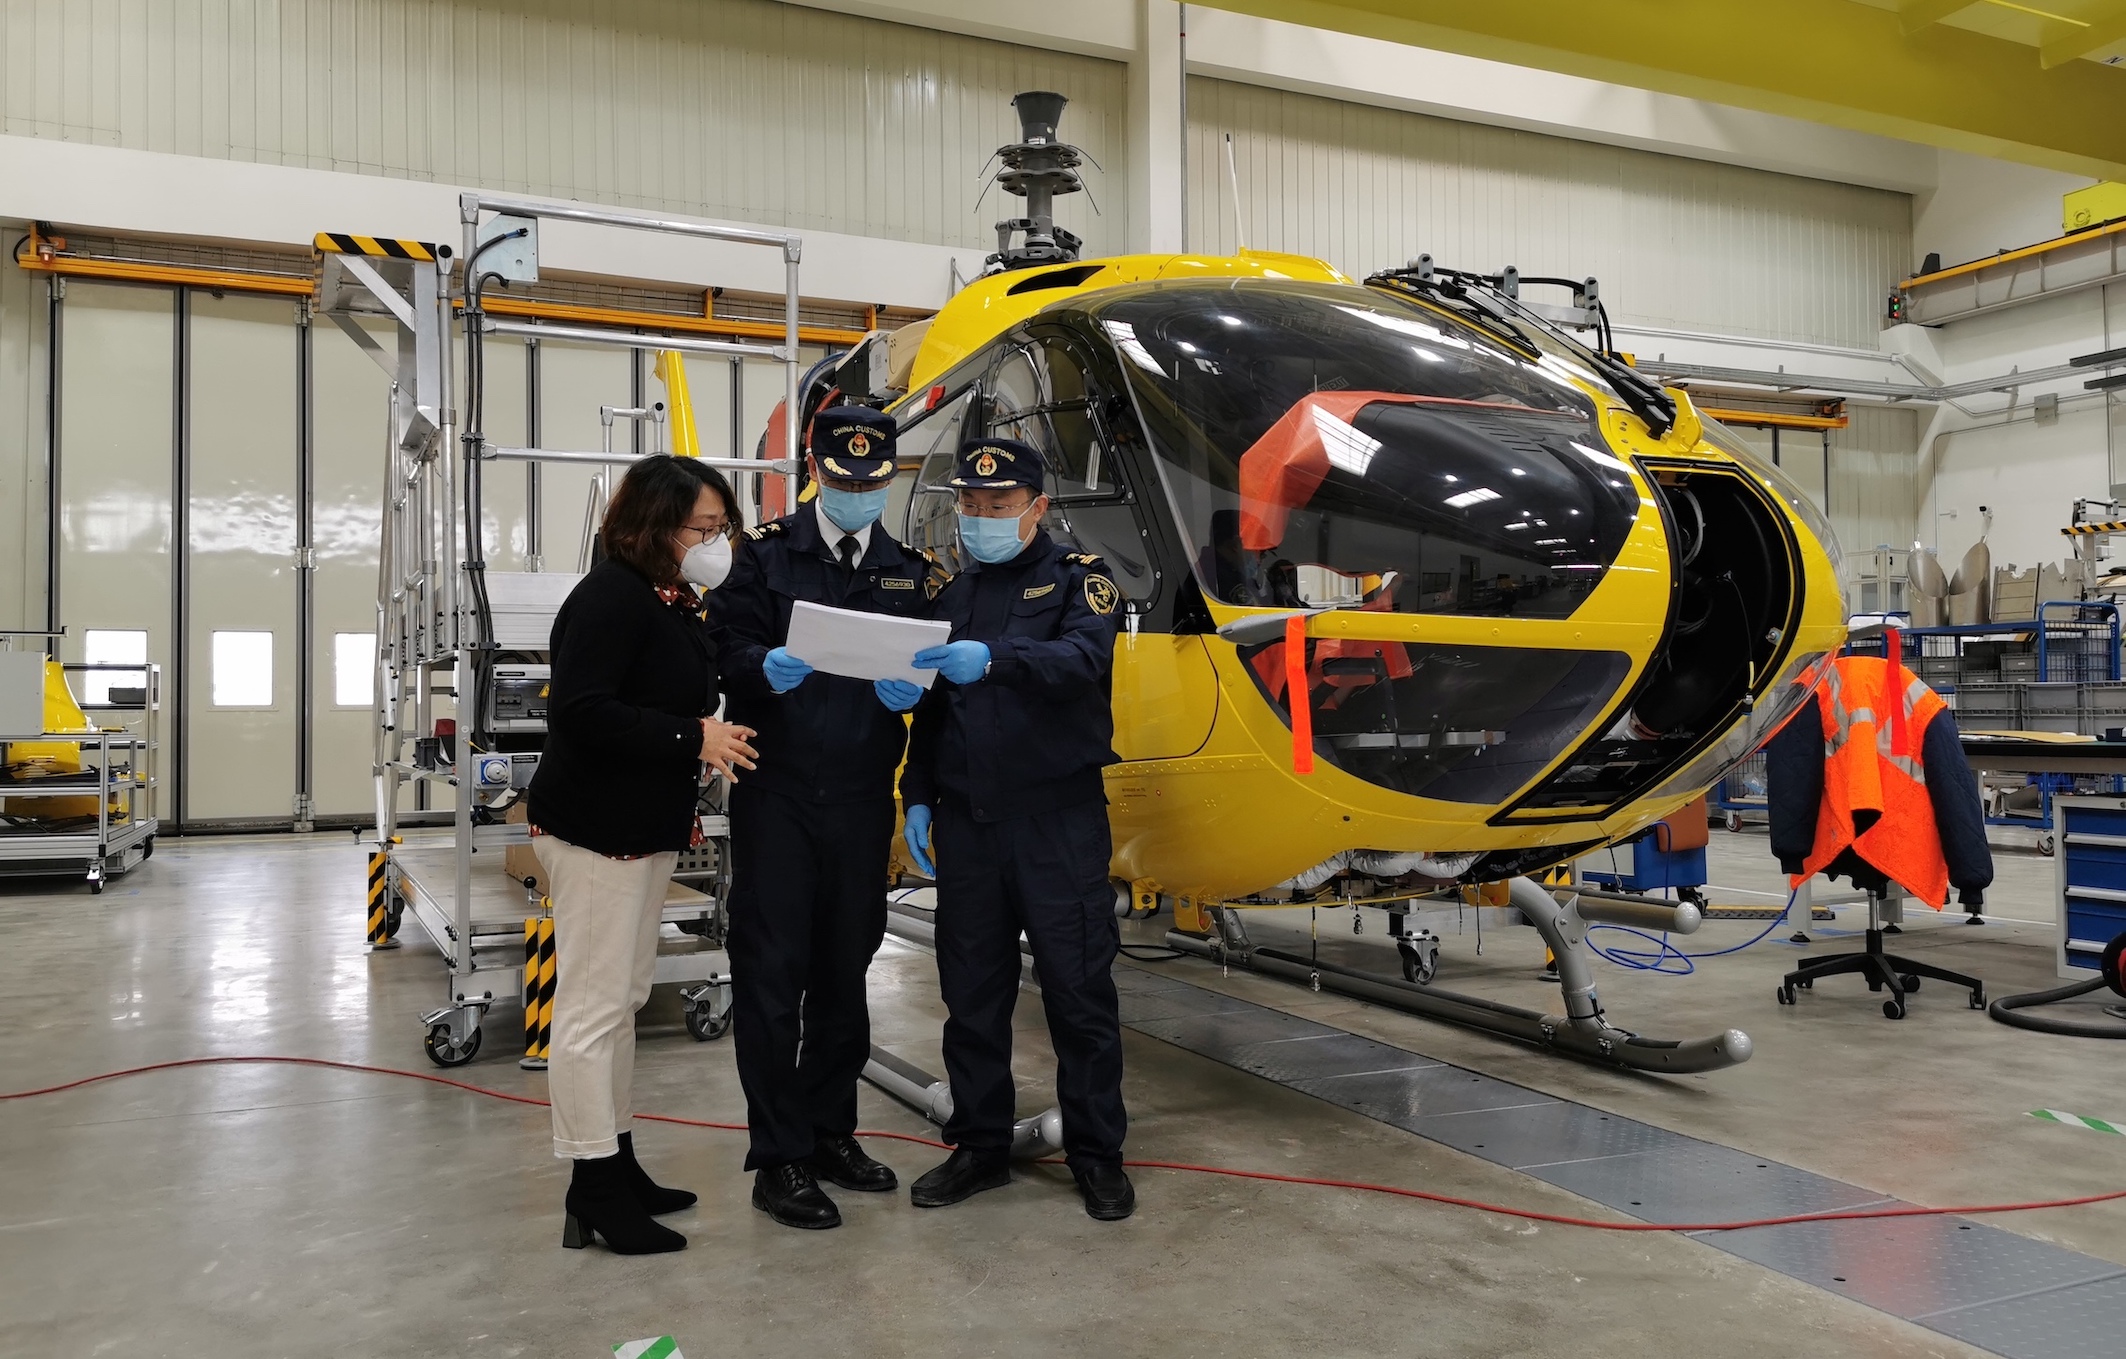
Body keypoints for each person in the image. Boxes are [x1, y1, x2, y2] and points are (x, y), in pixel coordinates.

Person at [709, 405, 948, 1230]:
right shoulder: (765, 555)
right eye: (844, 480)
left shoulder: (909, 572)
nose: (859, 494)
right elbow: (720, 648)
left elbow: (934, 681)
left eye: (873, 482)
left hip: (859, 796)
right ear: (816, 470)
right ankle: (778, 1155)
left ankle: (829, 1131)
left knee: (847, 971)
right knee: (772, 975)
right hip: (776, 794)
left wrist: (914, 692)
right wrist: (758, 666)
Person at [526, 455, 759, 1256]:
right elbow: (582, 710)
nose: (716, 542)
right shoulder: (609, 598)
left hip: (641, 828)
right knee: (592, 1011)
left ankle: (616, 1159)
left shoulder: (669, 597)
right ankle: (592, 1186)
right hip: (598, 831)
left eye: (722, 527)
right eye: (704, 527)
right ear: (654, 525)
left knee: (619, 1000)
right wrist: (693, 736)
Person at [899, 436, 1134, 1221]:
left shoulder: (1080, 580)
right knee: (972, 993)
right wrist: (918, 794)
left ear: (1036, 506)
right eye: (970, 504)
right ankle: (980, 1144)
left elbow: (1080, 661)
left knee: (1077, 991)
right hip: (968, 824)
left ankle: (1097, 1153)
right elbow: (933, 708)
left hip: (1056, 824)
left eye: (997, 505)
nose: (979, 517)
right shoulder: (953, 592)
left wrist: (995, 660)